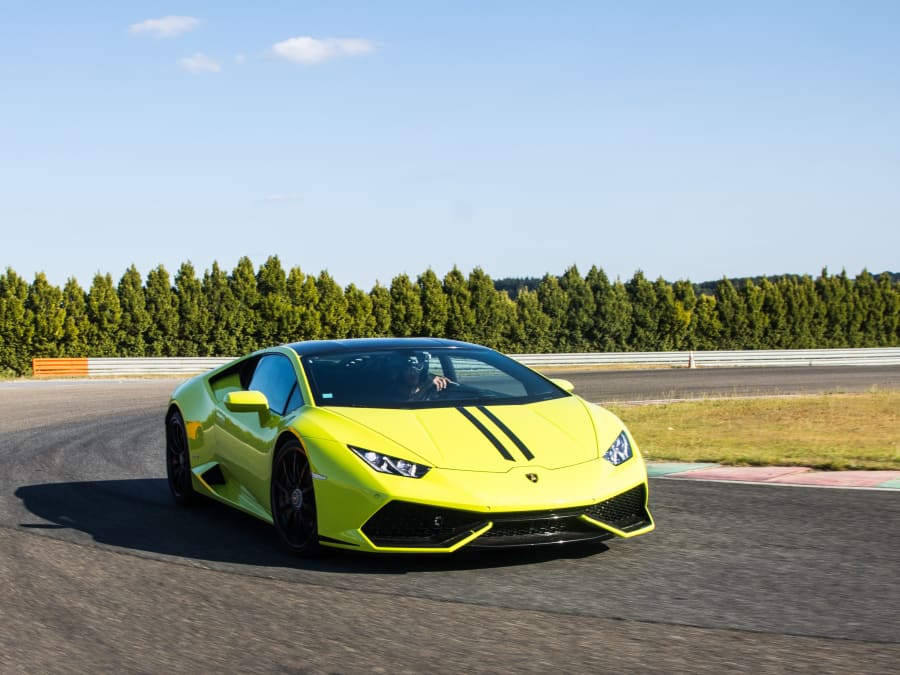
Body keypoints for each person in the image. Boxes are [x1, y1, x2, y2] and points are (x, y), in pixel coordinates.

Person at [387, 351, 453, 401]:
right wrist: (427, 384)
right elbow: (410, 404)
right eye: (408, 369)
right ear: (400, 373)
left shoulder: (431, 384)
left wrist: (443, 383)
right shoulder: (391, 388)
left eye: (417, 368)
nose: (413, 373)